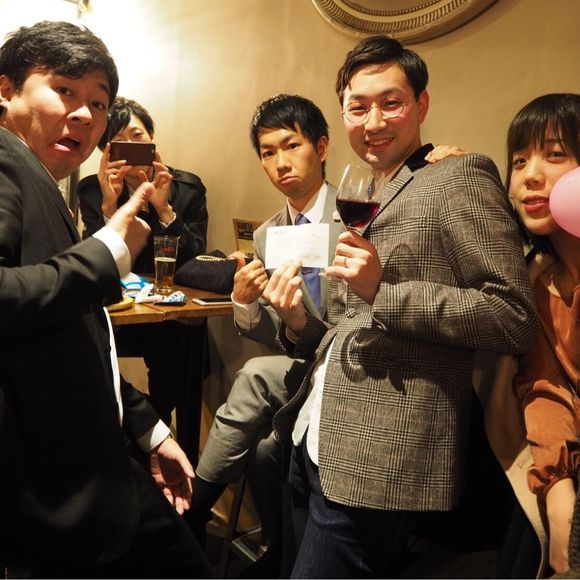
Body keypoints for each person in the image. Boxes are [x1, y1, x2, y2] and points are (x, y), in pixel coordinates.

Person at [262, 35, 539, 578]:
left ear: (421, 104)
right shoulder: (365, 191)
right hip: (313, 434)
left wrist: (384, 291)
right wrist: (296, 322)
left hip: (382, 454)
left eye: (391, 103)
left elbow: (513, 316)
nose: (373, 121)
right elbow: (347, 323)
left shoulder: (458, 176)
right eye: (357, 107)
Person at [0, 20, 211, 578]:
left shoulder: (39, 175)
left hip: (100, 464)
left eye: (98, 102)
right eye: (64, 90)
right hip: (54, 486)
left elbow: (77, 332)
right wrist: (108, 251)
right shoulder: (4, 159)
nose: (84, 115)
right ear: (6, 90)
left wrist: (148, 428)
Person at [188, 93, 343, 576]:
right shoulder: (269, 234)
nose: (281, 163)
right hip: (304, 364)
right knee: (263, 450)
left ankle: (193, 507)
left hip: (347, 363)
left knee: (256, 377)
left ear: (321, 147)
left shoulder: (358, 214)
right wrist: (245, 301)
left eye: (292, 146)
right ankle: (273, 547)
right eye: (268, 152)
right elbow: (273, 334)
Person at [484, 93, 580, 578]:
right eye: (519, 161)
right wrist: (558, 487)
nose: (530, 176)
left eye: (555, 154)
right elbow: (545, 387)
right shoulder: (538, 281)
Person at [77, 97, 209, 425]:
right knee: (82, 342)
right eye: (119, 142)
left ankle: (155, 425)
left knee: (184, 340)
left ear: (152, 138)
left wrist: (165, 211)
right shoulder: (93, 190)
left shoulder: (187, 188)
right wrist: (110, 209)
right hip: (118, 312)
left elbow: (196, 261)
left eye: (137, 136)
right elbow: (94, 264)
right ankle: (129, 424)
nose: (132, 147)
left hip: (169, 316)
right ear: (107, 152)